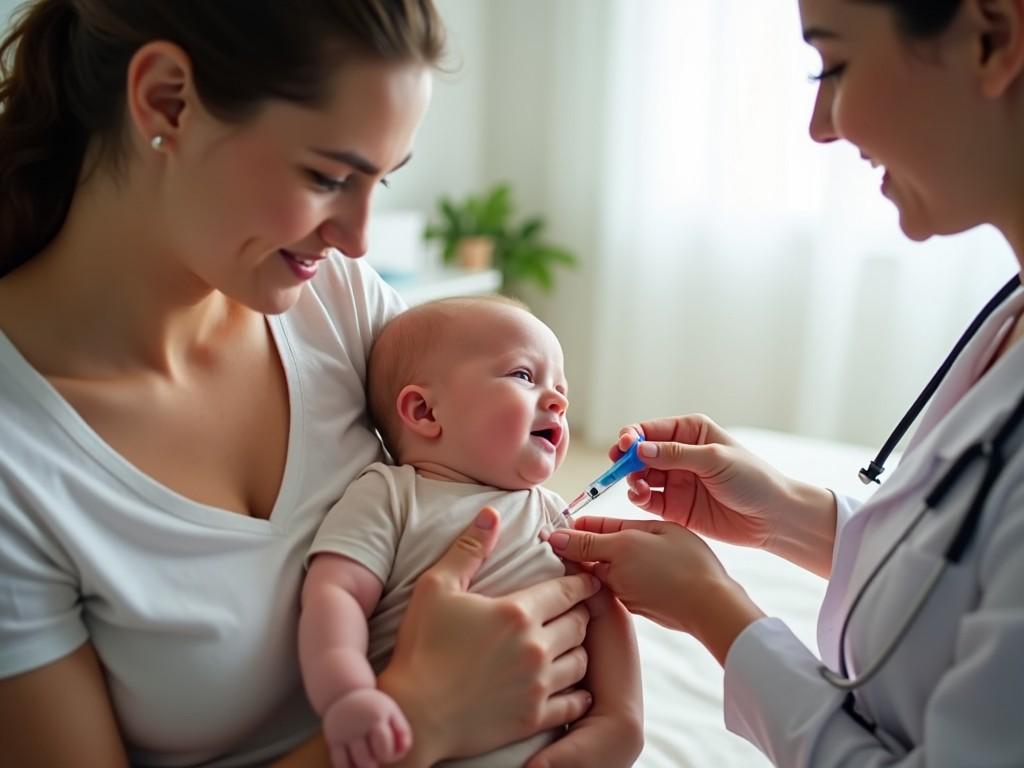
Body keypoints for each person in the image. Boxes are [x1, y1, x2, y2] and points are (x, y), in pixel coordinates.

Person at [0, 3, 608, 767]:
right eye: (327, 176)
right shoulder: (17, 465)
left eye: (381, 180)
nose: (357, 238)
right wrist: (423, 718)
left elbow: (484, 479)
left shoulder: (338, 302)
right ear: (166, 100)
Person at [547, 1, 1024, 765]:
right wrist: (784, 516)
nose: (819, 125)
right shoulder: (1008, 317)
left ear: (994, 39)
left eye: (832, 65)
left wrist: (714, 609)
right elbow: (963, 565)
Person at [298, 296, 643, 768]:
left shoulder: (551, 512)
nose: (559, 401)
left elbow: (602, 610)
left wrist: (620, 719)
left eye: (561, 387)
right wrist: (346, 693)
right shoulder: (392, 495)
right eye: (523, 375)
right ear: (424, 411)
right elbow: (334, 594)